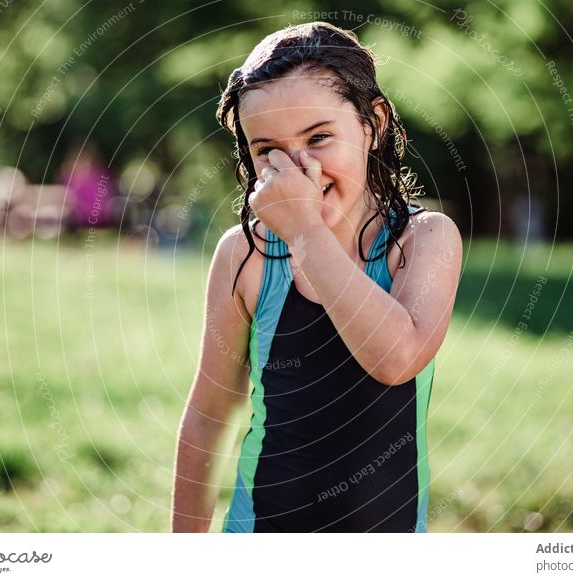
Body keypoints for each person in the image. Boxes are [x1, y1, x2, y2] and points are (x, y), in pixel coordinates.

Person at [172, 22, 462, 533]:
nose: (297, 166)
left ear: (372, 124)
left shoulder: (425, 240)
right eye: (267, 150)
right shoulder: (247, 254)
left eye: (319, 137)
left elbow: (397, 358)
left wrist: (305, 229)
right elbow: (207, 416)